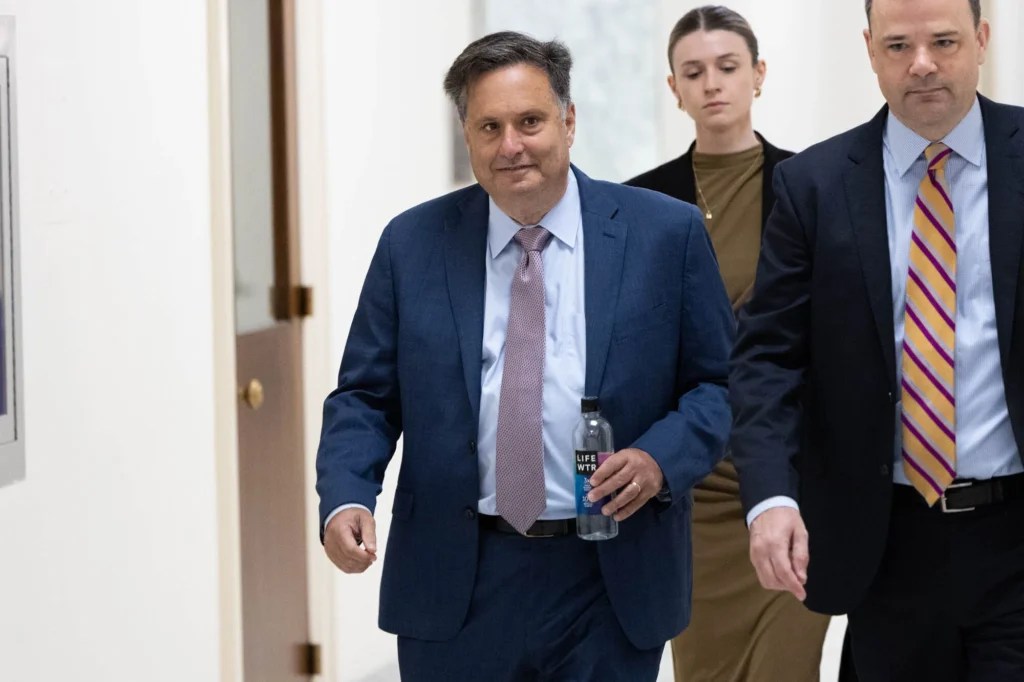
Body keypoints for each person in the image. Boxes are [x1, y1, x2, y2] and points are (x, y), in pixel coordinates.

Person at [315, 31, 735, 682]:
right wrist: (346, 497)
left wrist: (659, 459)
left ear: (568, 122)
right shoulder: (413, 245)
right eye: (490, 126)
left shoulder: (664, 235)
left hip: (608, 578)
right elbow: (365, 397)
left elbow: (720, 384)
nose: (511, 145)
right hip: (457, 579)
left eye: (530, 121)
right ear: (468, 136)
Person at [731, 0, 1024, 679]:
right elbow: (768, 358)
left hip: (1015, 532)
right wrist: (772, 497)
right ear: (869, 49)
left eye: (943, 41)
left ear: (981, 39)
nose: (921, 64)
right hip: (884, 538)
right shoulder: (814, 186)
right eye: (898, 46)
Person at [626, 6, 834, 681]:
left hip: (787, 480)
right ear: (674, 89)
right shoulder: (642, 205)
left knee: (785, 668)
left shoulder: (813, 187)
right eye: (694, 71)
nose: (712, 83)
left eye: (727, 67)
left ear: (758, 75)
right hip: (691, 490)